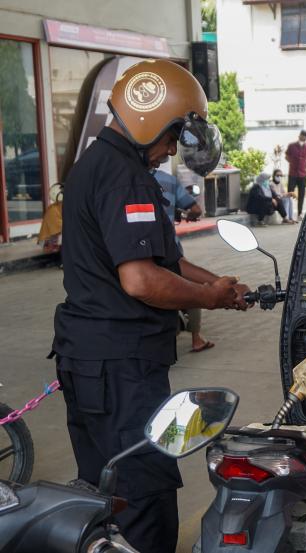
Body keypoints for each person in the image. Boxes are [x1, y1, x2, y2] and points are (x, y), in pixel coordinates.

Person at [51, 59, 251, 553]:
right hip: (121, 368)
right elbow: (140, 279)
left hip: (89, 362)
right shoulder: (127, 178)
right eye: (173, 136)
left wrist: (221, 289)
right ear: (151, 121)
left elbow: (163, 260)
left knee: (104, 493)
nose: (169, 153)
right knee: (142, 499)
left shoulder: (91, 167)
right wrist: (207, 298)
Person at [152, 169, 215, 352]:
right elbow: (195, 209)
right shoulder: (168, 181)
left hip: (136, 251)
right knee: (191, 289)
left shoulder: (122, 177)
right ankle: (196, 338)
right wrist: (188, 217)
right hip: (170, 249)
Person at [285, 129, 306, 219]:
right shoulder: (292, 146)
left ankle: (299, 213)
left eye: (305, 136)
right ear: (299, 136)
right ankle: (288, 214)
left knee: (301, 195)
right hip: (292, 173)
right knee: (290, 194)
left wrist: (303, 165)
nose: (303, 137)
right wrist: (292, 163)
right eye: (302, 135)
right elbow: (287, 156)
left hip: (302, 174)